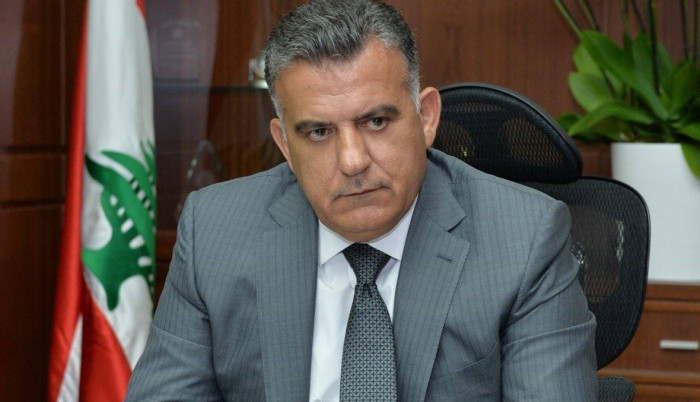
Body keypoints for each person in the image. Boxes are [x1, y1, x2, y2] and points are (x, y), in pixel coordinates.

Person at [126, 0, 597, 400]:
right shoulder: (214, 231)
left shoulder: (524, 239)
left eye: (376, 122)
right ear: (285, 145)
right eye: (318, 132)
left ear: (426, 118)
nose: (353, 161)